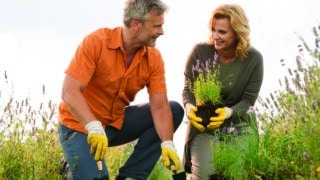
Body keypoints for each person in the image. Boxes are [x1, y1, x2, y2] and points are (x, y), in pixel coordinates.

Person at [57, 0, 184, 179]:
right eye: (157, 26)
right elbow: (69, 91)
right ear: (136, 24)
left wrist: (168, 143)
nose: (161, 32)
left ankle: (131, 175)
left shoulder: (153, 58)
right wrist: (93, 126)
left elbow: (160, 107)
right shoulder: (97, 42)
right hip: (78, 126)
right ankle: (72, 167)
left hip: (114, 124)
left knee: (173, 110)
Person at [182, 4, 264, 179]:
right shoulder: (200, 52)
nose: (215, 36)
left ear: (237, 33)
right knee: (203, 175)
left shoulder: (254, 59)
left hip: (240, 125)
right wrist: (189, 107)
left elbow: (248, 101)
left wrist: (228, 112)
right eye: (213, 30)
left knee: (236, 174)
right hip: (205, 125)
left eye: (222, 32)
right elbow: (188, 88)